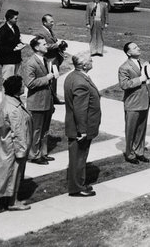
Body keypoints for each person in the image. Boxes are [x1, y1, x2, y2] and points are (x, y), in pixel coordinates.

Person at [64, 52, 101, 197]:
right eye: (91, 61)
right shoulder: (80, 82)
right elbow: (80, 109)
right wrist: (82, 130)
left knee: (78, 157)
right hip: (80, 128)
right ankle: (77, 188)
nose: (92, 62)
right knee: (79, 158)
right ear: (84, 65)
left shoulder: (73, 76)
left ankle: (78, 184)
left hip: (76, 126)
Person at [0, 75, 32, 211]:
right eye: (22, 85)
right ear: (16, 89)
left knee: (7, 175)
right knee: (14, 174)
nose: (24, 87)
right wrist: (22, 151)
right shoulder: (14, 109)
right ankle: (12, 202)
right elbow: (19, 132)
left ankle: (6, 201)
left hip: (6, 145)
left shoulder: (8, 101)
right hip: (14, 148)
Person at [23, 36, 56, 165]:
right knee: (36, 130)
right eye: (44, 44)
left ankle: (43, 152)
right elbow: (29, 83)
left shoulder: (45, 60)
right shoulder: (31, 63)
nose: (47, 46)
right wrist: (47, 78)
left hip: (47, 100)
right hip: (36, 102)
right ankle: (34, 155)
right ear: (36, 47)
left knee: (45, 129)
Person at [118, 42, 150, 164]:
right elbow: (124, 84)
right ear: (128, 52)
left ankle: (139, 151)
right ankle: (130, 154)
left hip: (144, 101)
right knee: (131, 130)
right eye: (135, 48)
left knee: (141, 129)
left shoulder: (144, 63)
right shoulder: (124, 67)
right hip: (132, 103)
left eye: (138, 46)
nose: (139, 48)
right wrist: (140, 79)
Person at [36, 14, 67, 105]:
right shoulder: (41, 33)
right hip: (49, 60)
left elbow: (53, 41)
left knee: (55, 78)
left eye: (53, 21)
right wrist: (57, 44)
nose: (53, 23)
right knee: (50, 79)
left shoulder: (49, 31)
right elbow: (42, 46)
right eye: (51, 22)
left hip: (55, 59)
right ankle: (49, 99)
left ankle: (54, 98)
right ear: (44, 22)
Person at [0, 9, 26, 81]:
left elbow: (17, 39)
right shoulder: (2, 31)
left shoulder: (16, 28)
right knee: (8, 83)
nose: (17, 20)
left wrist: (21, 44)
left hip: (17, 60)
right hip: (8, 61)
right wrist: (13, 49)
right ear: (9, 19)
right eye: (15, 18)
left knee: (17, 83)